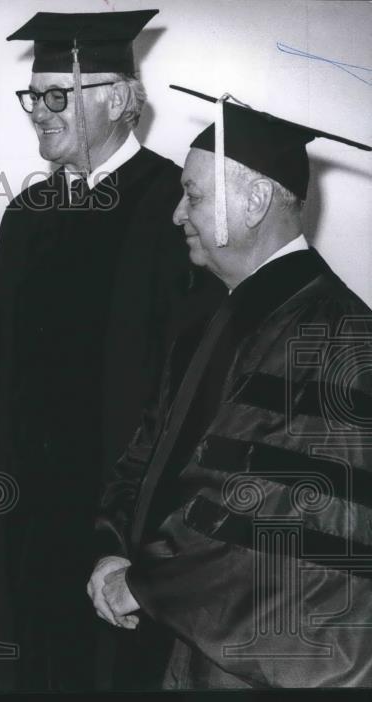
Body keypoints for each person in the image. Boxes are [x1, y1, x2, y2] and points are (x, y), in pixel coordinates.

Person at [89, 86, 372, 688]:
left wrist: (143, 580)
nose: (176, 213)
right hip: (173, 634)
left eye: (191, 194)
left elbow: (282, 518)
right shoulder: (207, 317)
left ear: (255, 201)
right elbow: (149, 452)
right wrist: (113, 546)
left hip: (256, 662)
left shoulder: (339, 336)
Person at [0, 10, 225, 691]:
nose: (39, 113)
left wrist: (146, 548)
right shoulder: (26, 214)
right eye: (34, 96)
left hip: (120, 538)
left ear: (119, 99)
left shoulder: (174, 206)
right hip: (28, 530)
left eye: (57, 96)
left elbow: (192, 387)